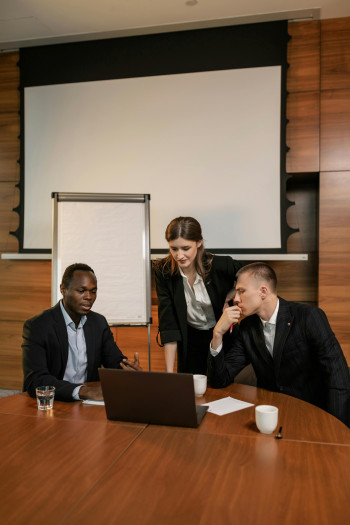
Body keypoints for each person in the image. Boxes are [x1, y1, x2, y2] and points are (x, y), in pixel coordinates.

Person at [208, 262, 350, 426]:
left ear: (263, 291)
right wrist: (217, 334)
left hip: (313, 416)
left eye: (241, 291)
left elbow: (338, 379)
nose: (236, 299)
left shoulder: (309, 317)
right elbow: (220, 380)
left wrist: (335, 428)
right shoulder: (247, 328)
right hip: (272, 418)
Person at [22, 263, 142, 402]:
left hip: (88, 403)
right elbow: (35, 380)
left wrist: (129, 372)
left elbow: (114, 361)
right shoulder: (38, 326)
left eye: (93, 291)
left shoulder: (98, 323)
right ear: (63, 289)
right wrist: (85, 391)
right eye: (81, 291)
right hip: (53, 402)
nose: (89, 297)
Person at [153, 216, 241, 374]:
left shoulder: (221, 265)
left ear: (199, 243)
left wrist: (230, 296)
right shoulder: (163, 272)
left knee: (221, 386)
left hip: (222, 337)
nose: (179, 255)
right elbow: (169, 325)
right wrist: (169, 374)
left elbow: (253, 277)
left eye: (186, 248)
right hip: (190, 341)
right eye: (174, 249)